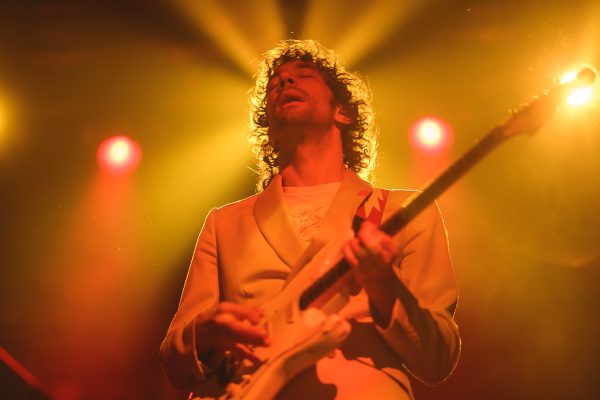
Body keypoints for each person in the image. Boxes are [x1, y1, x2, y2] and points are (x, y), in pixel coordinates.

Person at [160, 39, 460, 399]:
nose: (285, 81)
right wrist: (204, 334)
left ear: (342, 112)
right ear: (269, 128)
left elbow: (438, 358)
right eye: (275, 83)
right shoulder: (224, 223)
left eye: (303, 75)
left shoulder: (404, 211)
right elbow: (175, 360)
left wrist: (384, 287)